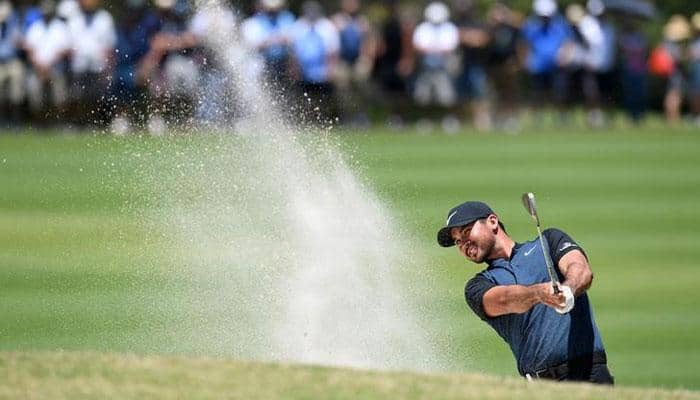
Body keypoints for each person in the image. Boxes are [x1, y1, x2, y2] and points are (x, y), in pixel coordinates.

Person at [437, 200, 613, 384]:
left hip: (589, 375)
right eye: (458, 241)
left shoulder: (548, 242)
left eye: (466, 232)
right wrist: (539, 293)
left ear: (492, 222)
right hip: (541, 386)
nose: (464, 244)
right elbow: (504, 300)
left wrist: (568, 289)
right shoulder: (477, 286)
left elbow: (581, 269)